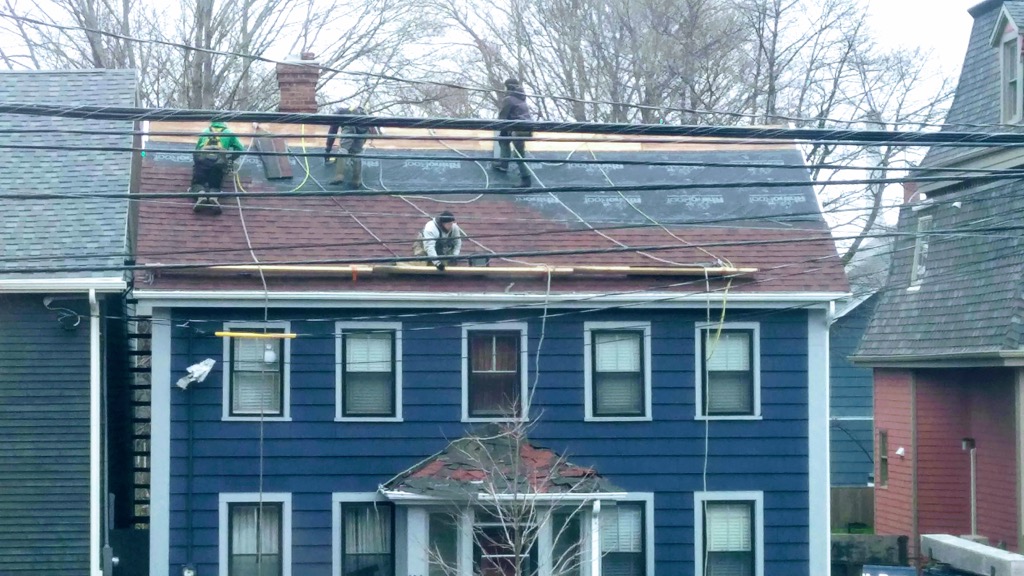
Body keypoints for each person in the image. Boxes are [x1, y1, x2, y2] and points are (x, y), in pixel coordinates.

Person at [190, 121, 244, 214]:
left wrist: (197, 164)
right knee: (215, 182)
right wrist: (230, 159)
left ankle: (201, 195)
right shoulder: (229, 133)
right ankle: (213, 197)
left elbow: (197, 150)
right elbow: (240, 148)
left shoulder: (205, 131)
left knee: (197, 182)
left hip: (203, 159)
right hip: (219, 160)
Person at [325, 106, 379, 190]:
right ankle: (356, 180)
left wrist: (328, 150)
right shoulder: (363, 113)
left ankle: (339, 176)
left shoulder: (339, 115)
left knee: (343, 149)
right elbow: (374, 131)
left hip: (350, 125)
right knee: (356, 153)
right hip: (364, 129)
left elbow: (332, 132)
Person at [493, 78, 533, 188]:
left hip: (518, 128)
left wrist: (496, 126)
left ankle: (526, 179)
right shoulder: (521, 98)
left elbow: (503, 116)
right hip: (525, 127)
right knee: (503, 139)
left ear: (507, 87)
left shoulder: (509, 99)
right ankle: (503, 164)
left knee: (518, 155)